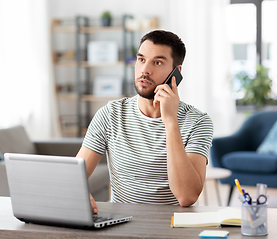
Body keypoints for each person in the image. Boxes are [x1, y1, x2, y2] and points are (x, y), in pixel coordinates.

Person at [76, 30, 214, 213]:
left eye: (157, 62)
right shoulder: (110, 115)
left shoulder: (198, 122)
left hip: (172, 227)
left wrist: (171, 121)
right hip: (121, 226)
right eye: (141, 59)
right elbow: (75, 176)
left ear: (176, 72)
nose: (145, 70)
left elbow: (186, 196)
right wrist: (79, 193)